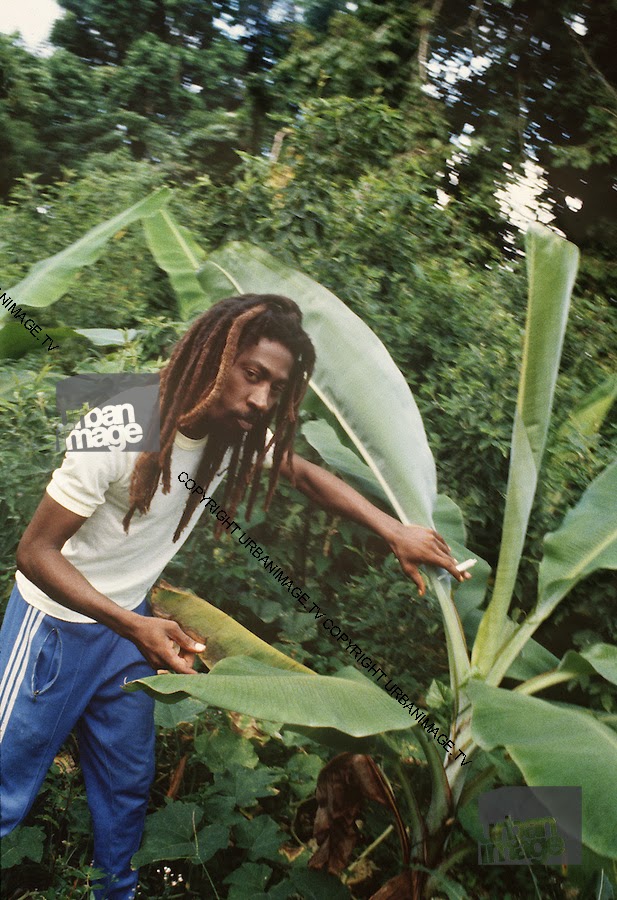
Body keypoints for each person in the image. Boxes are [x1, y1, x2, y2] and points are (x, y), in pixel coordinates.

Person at [0, 294, 467, 898]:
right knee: (7, 788)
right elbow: (35, 554)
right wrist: (131, 625)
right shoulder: (122, 422)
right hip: (55, 630)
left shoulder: (231, 431)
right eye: (252, 375)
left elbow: (298, 471)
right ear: (209, 357)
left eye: (276, 386)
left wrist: (392, 529)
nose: (262, 400)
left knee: (126, 786)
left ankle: (113, 892)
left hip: (128, 628)